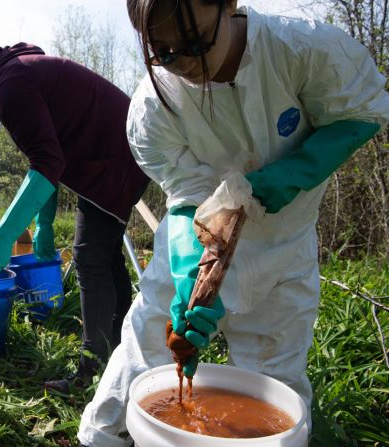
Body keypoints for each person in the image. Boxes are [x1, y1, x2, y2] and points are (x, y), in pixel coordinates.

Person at [77, 1, 389, 445]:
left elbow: (361, 111)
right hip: (195, 236)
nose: (185, 65)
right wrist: (190, 269)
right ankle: (103, 439)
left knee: (273, 375)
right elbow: (187, 193)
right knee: (149, 343)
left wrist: (290, 173)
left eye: (196, 43)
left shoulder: (301, 48)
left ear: (228, 4)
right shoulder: (153, 107)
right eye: (164, 53)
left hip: (283, 246)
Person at [0, 24, 150, 389]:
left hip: (115, 157)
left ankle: (92, 373)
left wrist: (3, 236)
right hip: (120, 154)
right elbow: (53, 155)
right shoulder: (19, 69)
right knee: (104, 258)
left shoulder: (10, 83)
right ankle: (121, 358)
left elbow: (46, 163)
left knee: (90, 258)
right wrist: (44, 222)